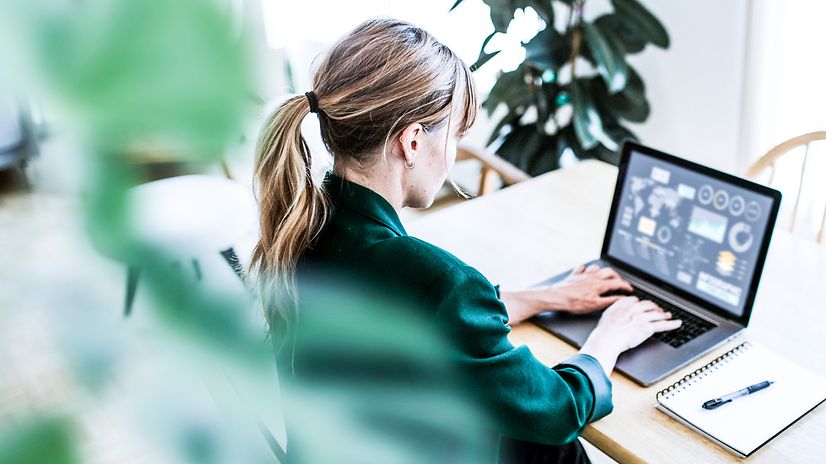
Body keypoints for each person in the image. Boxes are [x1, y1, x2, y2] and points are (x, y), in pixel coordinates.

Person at [249, 17, 682, 463]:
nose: (453, 154)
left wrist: (545, 297)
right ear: (412, 142)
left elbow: (426, 317)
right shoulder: (437, 280)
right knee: (555, 444)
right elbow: (558, 408)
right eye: (455, 135)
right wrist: (609, 338)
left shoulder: (302, 228)